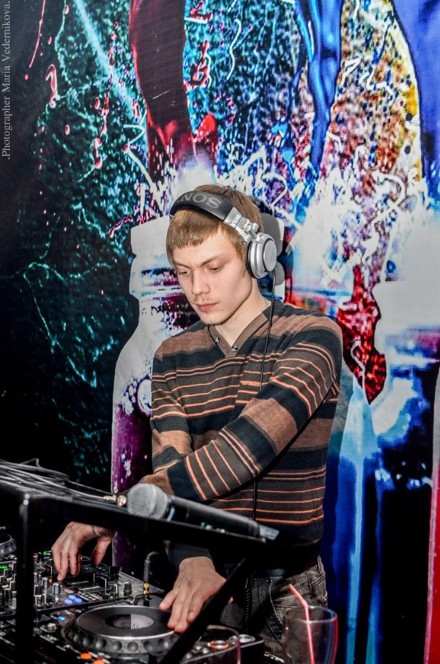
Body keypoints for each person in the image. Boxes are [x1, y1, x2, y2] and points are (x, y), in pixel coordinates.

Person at [51, 183, 343, 661]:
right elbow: (173, 472)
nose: (198, 288)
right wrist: (193, 562)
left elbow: (244, 450)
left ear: (255, 257)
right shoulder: (170, 356)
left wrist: (122, 506)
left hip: (288, 591)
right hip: (199, 581)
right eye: (184, 272)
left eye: (214, 267)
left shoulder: (313, 337)